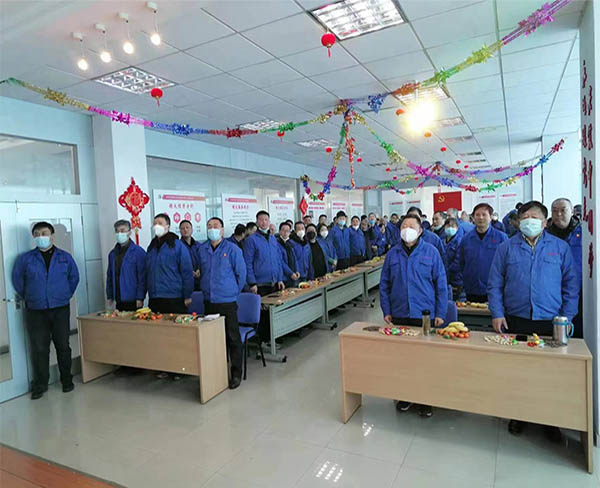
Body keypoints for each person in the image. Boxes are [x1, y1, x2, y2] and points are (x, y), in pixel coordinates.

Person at [487, 201, 578, 441]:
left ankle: (550, 420)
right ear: (518, 222)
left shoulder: (559, 248)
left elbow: (571, 285)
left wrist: (567, 318)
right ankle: (519, 415)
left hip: (550, 321)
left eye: (534, 217)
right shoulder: (507, 247)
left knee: (550, 374)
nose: (529, 220)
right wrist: (497, 313)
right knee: (518, 371)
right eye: (524, 216)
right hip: (516, 319)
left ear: (545, 222)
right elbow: (494, 283)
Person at [380, 215, 447, 418]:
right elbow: (384, 285)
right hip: (400, 313)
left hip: (424, 315)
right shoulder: (393, 254)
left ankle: (425, 399)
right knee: (403, 358)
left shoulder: (431, 252)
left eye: (411, 226)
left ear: (420, 231)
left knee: (425, 359)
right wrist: (386, 310)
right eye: (403, 226)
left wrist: (440, 313)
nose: (406, 229)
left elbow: (441, 284)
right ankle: (405, 395)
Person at [12, 222, 79, 399]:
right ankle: (40, 384)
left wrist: (64, 294)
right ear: (33, 237)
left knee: (63, 346)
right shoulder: (26, 259)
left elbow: (74, 278)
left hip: (60, 309)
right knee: (39, 348)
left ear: (52, 236)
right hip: (36, 310)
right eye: (37, 234)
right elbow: (18, 280)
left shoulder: (65, 258)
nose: (41, 236)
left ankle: (67, 380)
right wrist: (31, 296)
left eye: (44, 233)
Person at [194, 217, 246, 389]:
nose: (212, 229)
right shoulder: (202, 249)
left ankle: (236, 373)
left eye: (216, 226)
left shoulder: (232, 249)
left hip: (227, 301)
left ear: (222, 230)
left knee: (232, 338)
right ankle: (217, 373)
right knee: (213, 339)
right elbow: (201, 272)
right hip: (209, 301)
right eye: (209, 226)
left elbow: (241, 274)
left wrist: (232, 291)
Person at [243, 211, 284, 341]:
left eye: (266, 219)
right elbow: (247, 263)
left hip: (274, 282)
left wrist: (280, 278)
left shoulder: (273, 238)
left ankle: (273, 338)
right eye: (261, 220)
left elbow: (278, 260)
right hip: (260, 284)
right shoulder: (251, 240)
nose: (264, 222)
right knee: (263, 315)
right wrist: (252, 282)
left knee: (274, 313)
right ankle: (264, 341)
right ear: (257, 222)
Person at [456, 203, 507, 303]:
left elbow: (507, 263)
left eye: (484, 214)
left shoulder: (501, 238)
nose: (481, 218)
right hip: (472, 289)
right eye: (477, 215)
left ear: (491, 217)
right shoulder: (466, 239)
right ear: (473, 217)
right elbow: (462, 262)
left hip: (495, 288)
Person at [546, 198, 583, 338]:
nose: (559, 214)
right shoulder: (545, 236)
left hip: (580, 292)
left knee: (576, 332)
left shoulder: (585, 233)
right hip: (553, 292)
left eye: (563, 210)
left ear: (572, 211)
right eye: (554, 211)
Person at [146, 213, 194, 314]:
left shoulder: (177, 246)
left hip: (173, 297)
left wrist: (187, 295)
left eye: (160, 223)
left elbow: (187, 272)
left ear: (167, 227)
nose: (156, 226)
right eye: (155, 224)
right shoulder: (151, 247)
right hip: (154, 297)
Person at [106, 219, 146, 312]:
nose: (119, 234)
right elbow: (110, 276)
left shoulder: (138, 252)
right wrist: (110, 295)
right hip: (118, 297)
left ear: (129, 232)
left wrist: (140, 297)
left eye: (122, 231)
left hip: (133, 298)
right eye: (117, 231)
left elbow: (142, 277)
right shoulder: (112, 254)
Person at [443, 217, 463, 301]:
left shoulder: (459, 241)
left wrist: (447, 270)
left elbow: (458, 261)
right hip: (444, 277)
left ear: (457, 228)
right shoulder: (441, 241)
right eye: (448, 226)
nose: (450, 228)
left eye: (452, 226)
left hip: (456, 278)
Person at [276, 222, 300, 288]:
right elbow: (281, 262)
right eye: (283, 230)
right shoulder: (276, 244)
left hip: (293, 275)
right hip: (284, 277)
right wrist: (290, 273)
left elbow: (295, 258)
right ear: (279, 231)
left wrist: (297, 271)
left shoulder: (291, 243)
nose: (285, 232)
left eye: (288, 230)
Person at [180, 219, 200, 289]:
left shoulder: (199, 245)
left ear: (192, 230)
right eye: (182, 228)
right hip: (185, 282)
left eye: (187, 227)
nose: (185, 230)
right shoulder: (178, 246)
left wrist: (200, 270)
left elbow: (204, 260)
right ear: (180, 231)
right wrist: (188, 272)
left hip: (199, 281)